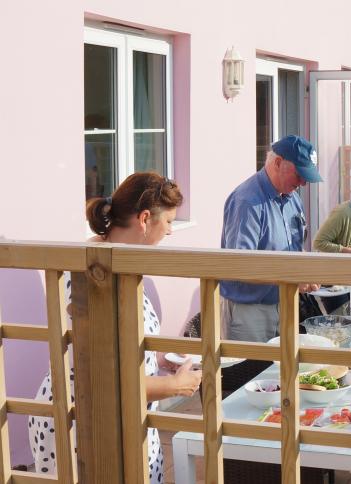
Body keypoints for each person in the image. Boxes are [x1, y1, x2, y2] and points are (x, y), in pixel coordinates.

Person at [28, 173, 202, 483]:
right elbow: (102, 380)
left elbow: (110, 351)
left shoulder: (105, 258)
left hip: (87, 417)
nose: (172, 231)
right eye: (169, 222)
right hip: (88, 425)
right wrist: (175, 385)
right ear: (145, 219)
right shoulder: (99, 275)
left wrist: (152, 360)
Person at [220, 135, 321, 342]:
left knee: (283, 372)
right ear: (277, 163)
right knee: (249, 373)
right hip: (250, 310)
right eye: (299, 174)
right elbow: (239, 265)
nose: (303, 183)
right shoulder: (247, 201)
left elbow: (293, 246)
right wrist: (290, 277)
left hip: (284, 301)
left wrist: (307, 270)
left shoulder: (292, 198)